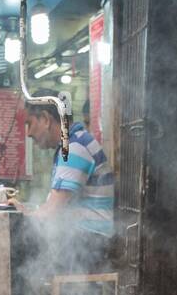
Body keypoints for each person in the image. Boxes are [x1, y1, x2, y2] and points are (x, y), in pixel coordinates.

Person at [23, 91, 114, 238]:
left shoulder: (74, 147)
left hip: (93, 242)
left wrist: (21, 218)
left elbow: (52, 210)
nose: (28, 133)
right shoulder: (72, 143)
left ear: (46, 119)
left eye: (30, 123)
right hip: (84, 240)